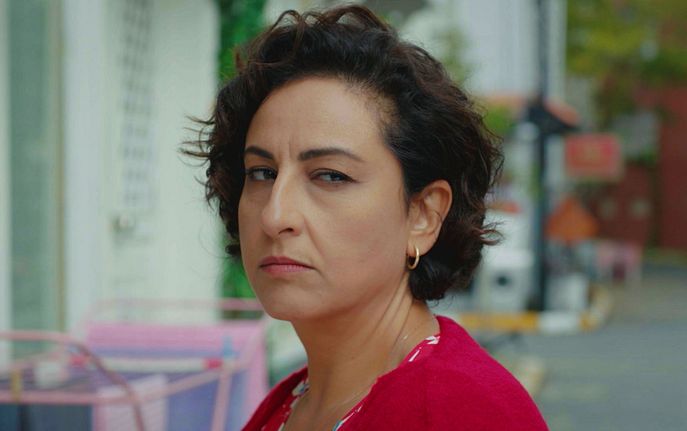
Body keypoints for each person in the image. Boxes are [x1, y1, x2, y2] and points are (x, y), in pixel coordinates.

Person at [186, 4, 548, 430]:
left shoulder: (461, 411)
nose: (275, 214)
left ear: (423, 215)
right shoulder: (291, 403)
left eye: (331, 176)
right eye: (262, 173)